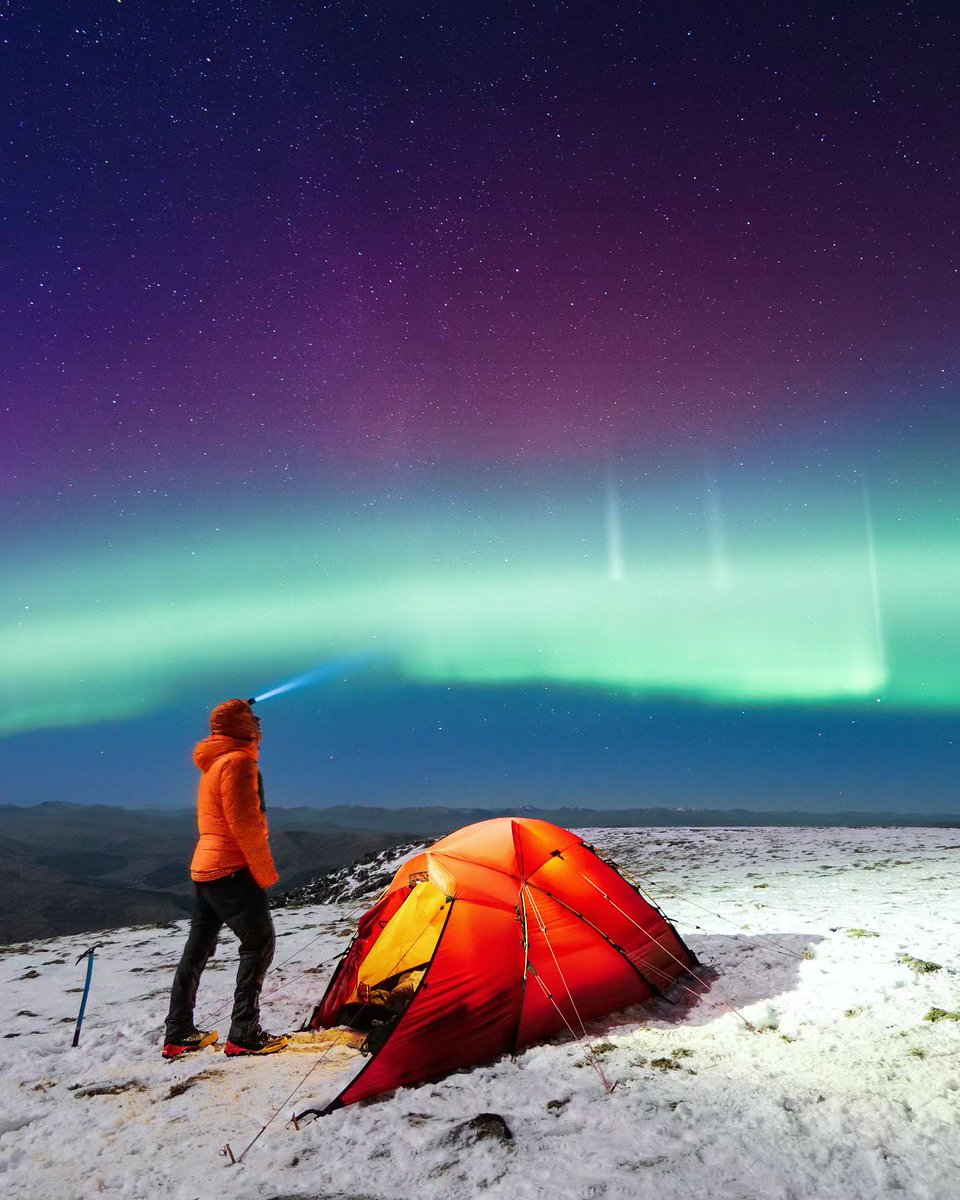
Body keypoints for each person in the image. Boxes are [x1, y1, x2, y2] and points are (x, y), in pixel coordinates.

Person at [162, 698, 288, 1058]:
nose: (261, 731)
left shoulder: (214, 764)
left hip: (205, 868)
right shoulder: (237, 762)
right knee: (259, 941)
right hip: (230, 868)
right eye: (255, 723)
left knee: (197, 950)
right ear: (244, 728)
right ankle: (244, 1033)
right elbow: (245, 824)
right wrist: (264, 874)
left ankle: (178, 1032)